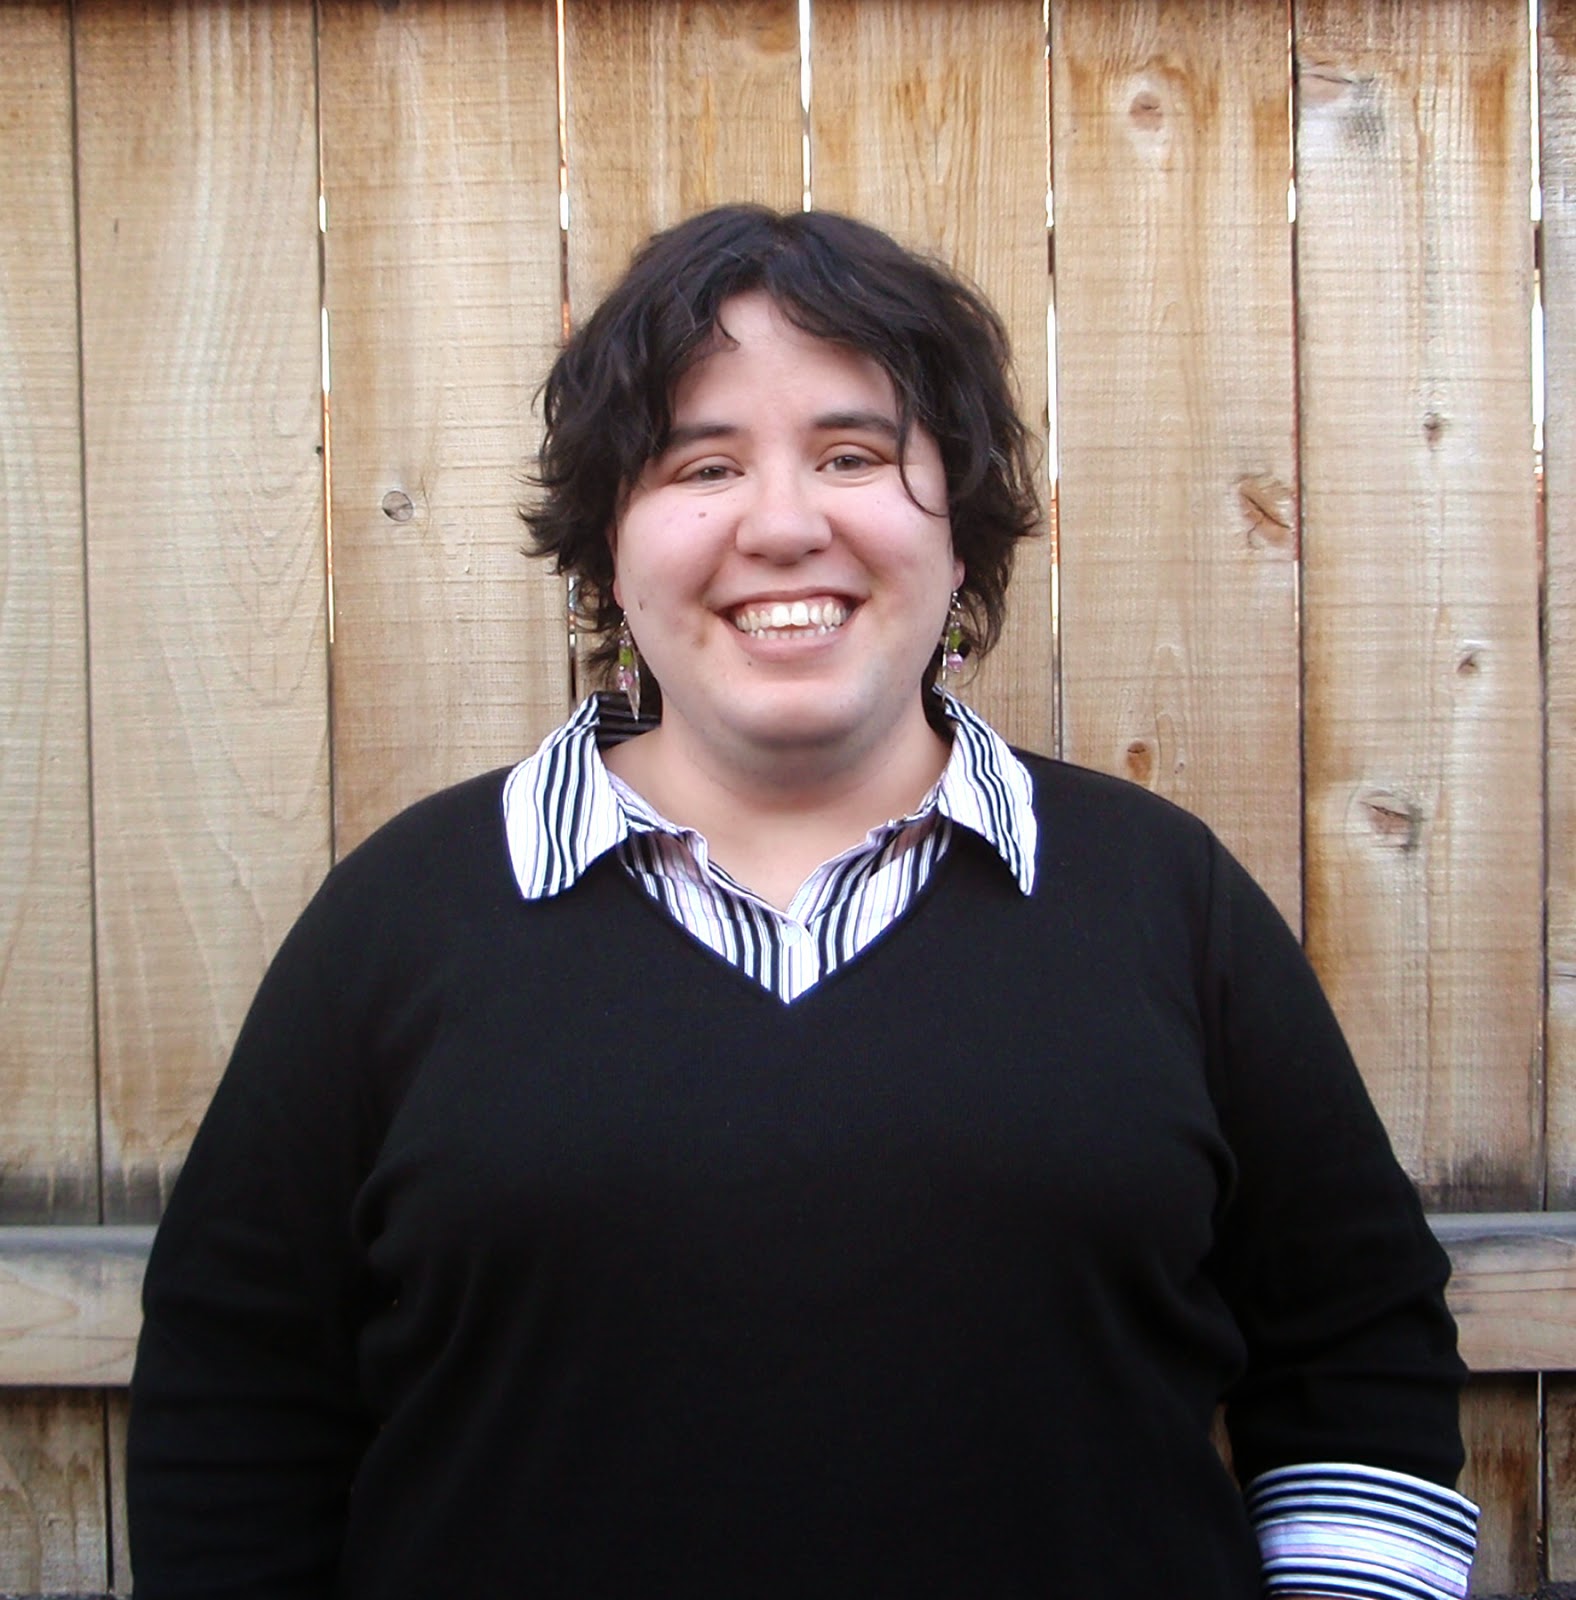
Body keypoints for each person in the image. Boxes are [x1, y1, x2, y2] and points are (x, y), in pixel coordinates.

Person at [128, 205, 1477, 1599]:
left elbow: (1357, 1349)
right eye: (702, 464)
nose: (783, 524)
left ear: (961, 532)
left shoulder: (1163, 900)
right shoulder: (400, 923)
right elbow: (235, 1405)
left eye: (852, 455)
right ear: (607, 550)